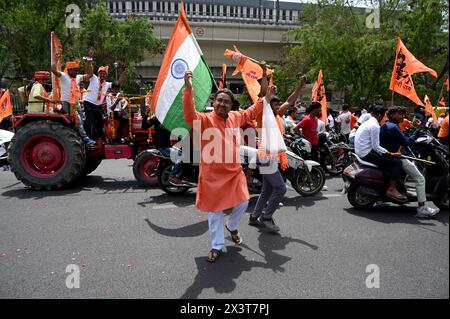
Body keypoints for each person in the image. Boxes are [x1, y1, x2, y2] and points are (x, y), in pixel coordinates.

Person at [182, 68, 265, 263]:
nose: (222, 103)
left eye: (226, 101)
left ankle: (232, 225)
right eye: (219, 100)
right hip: (212, 175)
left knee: (244, 202)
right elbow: (189, 114)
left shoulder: (236, 117)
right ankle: (217, 246)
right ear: (214, 103)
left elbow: (252, 111)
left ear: (231, 106)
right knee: (215, 212)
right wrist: (188, 89)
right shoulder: (205, 119)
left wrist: (265, 99)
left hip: (234, 172)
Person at [380, 106, 440, 218]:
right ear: (393, 115)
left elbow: (399, 138)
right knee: (420, 178)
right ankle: (422, 208)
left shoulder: (387, 125)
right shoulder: (393, 127)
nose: (403, 116)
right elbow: (406, 142)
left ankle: (402, 189)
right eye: (400, 114)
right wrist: (417, 131)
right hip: (394, 156)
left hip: (390, 154)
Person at [354, 104, 406, 201]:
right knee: (397, 162)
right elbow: (376, 146)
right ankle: (392, 189)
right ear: (380, 115)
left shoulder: (367, 122)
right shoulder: (375, 126)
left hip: (361, 152)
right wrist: (389, 153)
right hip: (367, 154)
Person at [51, 52, 95, 146]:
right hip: (67, 103)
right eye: (74, 70)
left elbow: (90, 75)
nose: (76, 72)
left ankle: (79, 136)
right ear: (69, 70)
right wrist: (56, 60)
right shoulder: (63, 76)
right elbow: (53, 70)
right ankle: (86, 139)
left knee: (84, 119)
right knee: (78, 119)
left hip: (76, 103)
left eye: (76, 70)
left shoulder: (78, 77)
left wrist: (90, 61)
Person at [84, 63, 128, 142]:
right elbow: (89, 70)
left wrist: (123, 73)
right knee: (89, 121)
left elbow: (118, 83)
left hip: (97, 106)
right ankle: (88, 139)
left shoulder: (107, 84)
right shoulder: (93, 78)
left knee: (100, 122)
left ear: (106, 76)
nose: (102, 75)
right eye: (101, 73)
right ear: (98, 74)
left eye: (104, 74)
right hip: (88, 103)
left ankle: (101, 139)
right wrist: (89, 60)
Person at [144, 115, 185, 185]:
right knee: (182, 156)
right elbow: (144, 126)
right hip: (162, 147)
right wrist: (145, 115)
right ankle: (172, 176)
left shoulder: (169, 119)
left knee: (183, 152)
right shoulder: (156, 118)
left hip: (167, 146)